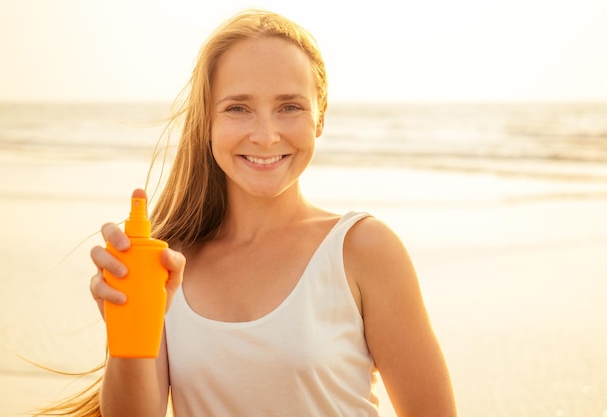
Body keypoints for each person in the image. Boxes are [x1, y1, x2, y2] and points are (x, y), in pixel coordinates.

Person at [38, 8, 456, 417]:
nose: (265, 135)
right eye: (238, 107)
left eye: (290, 106)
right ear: (207, 120)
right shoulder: (167, 265)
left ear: (320, 117)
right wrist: (127, 325)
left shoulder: (362, 249)